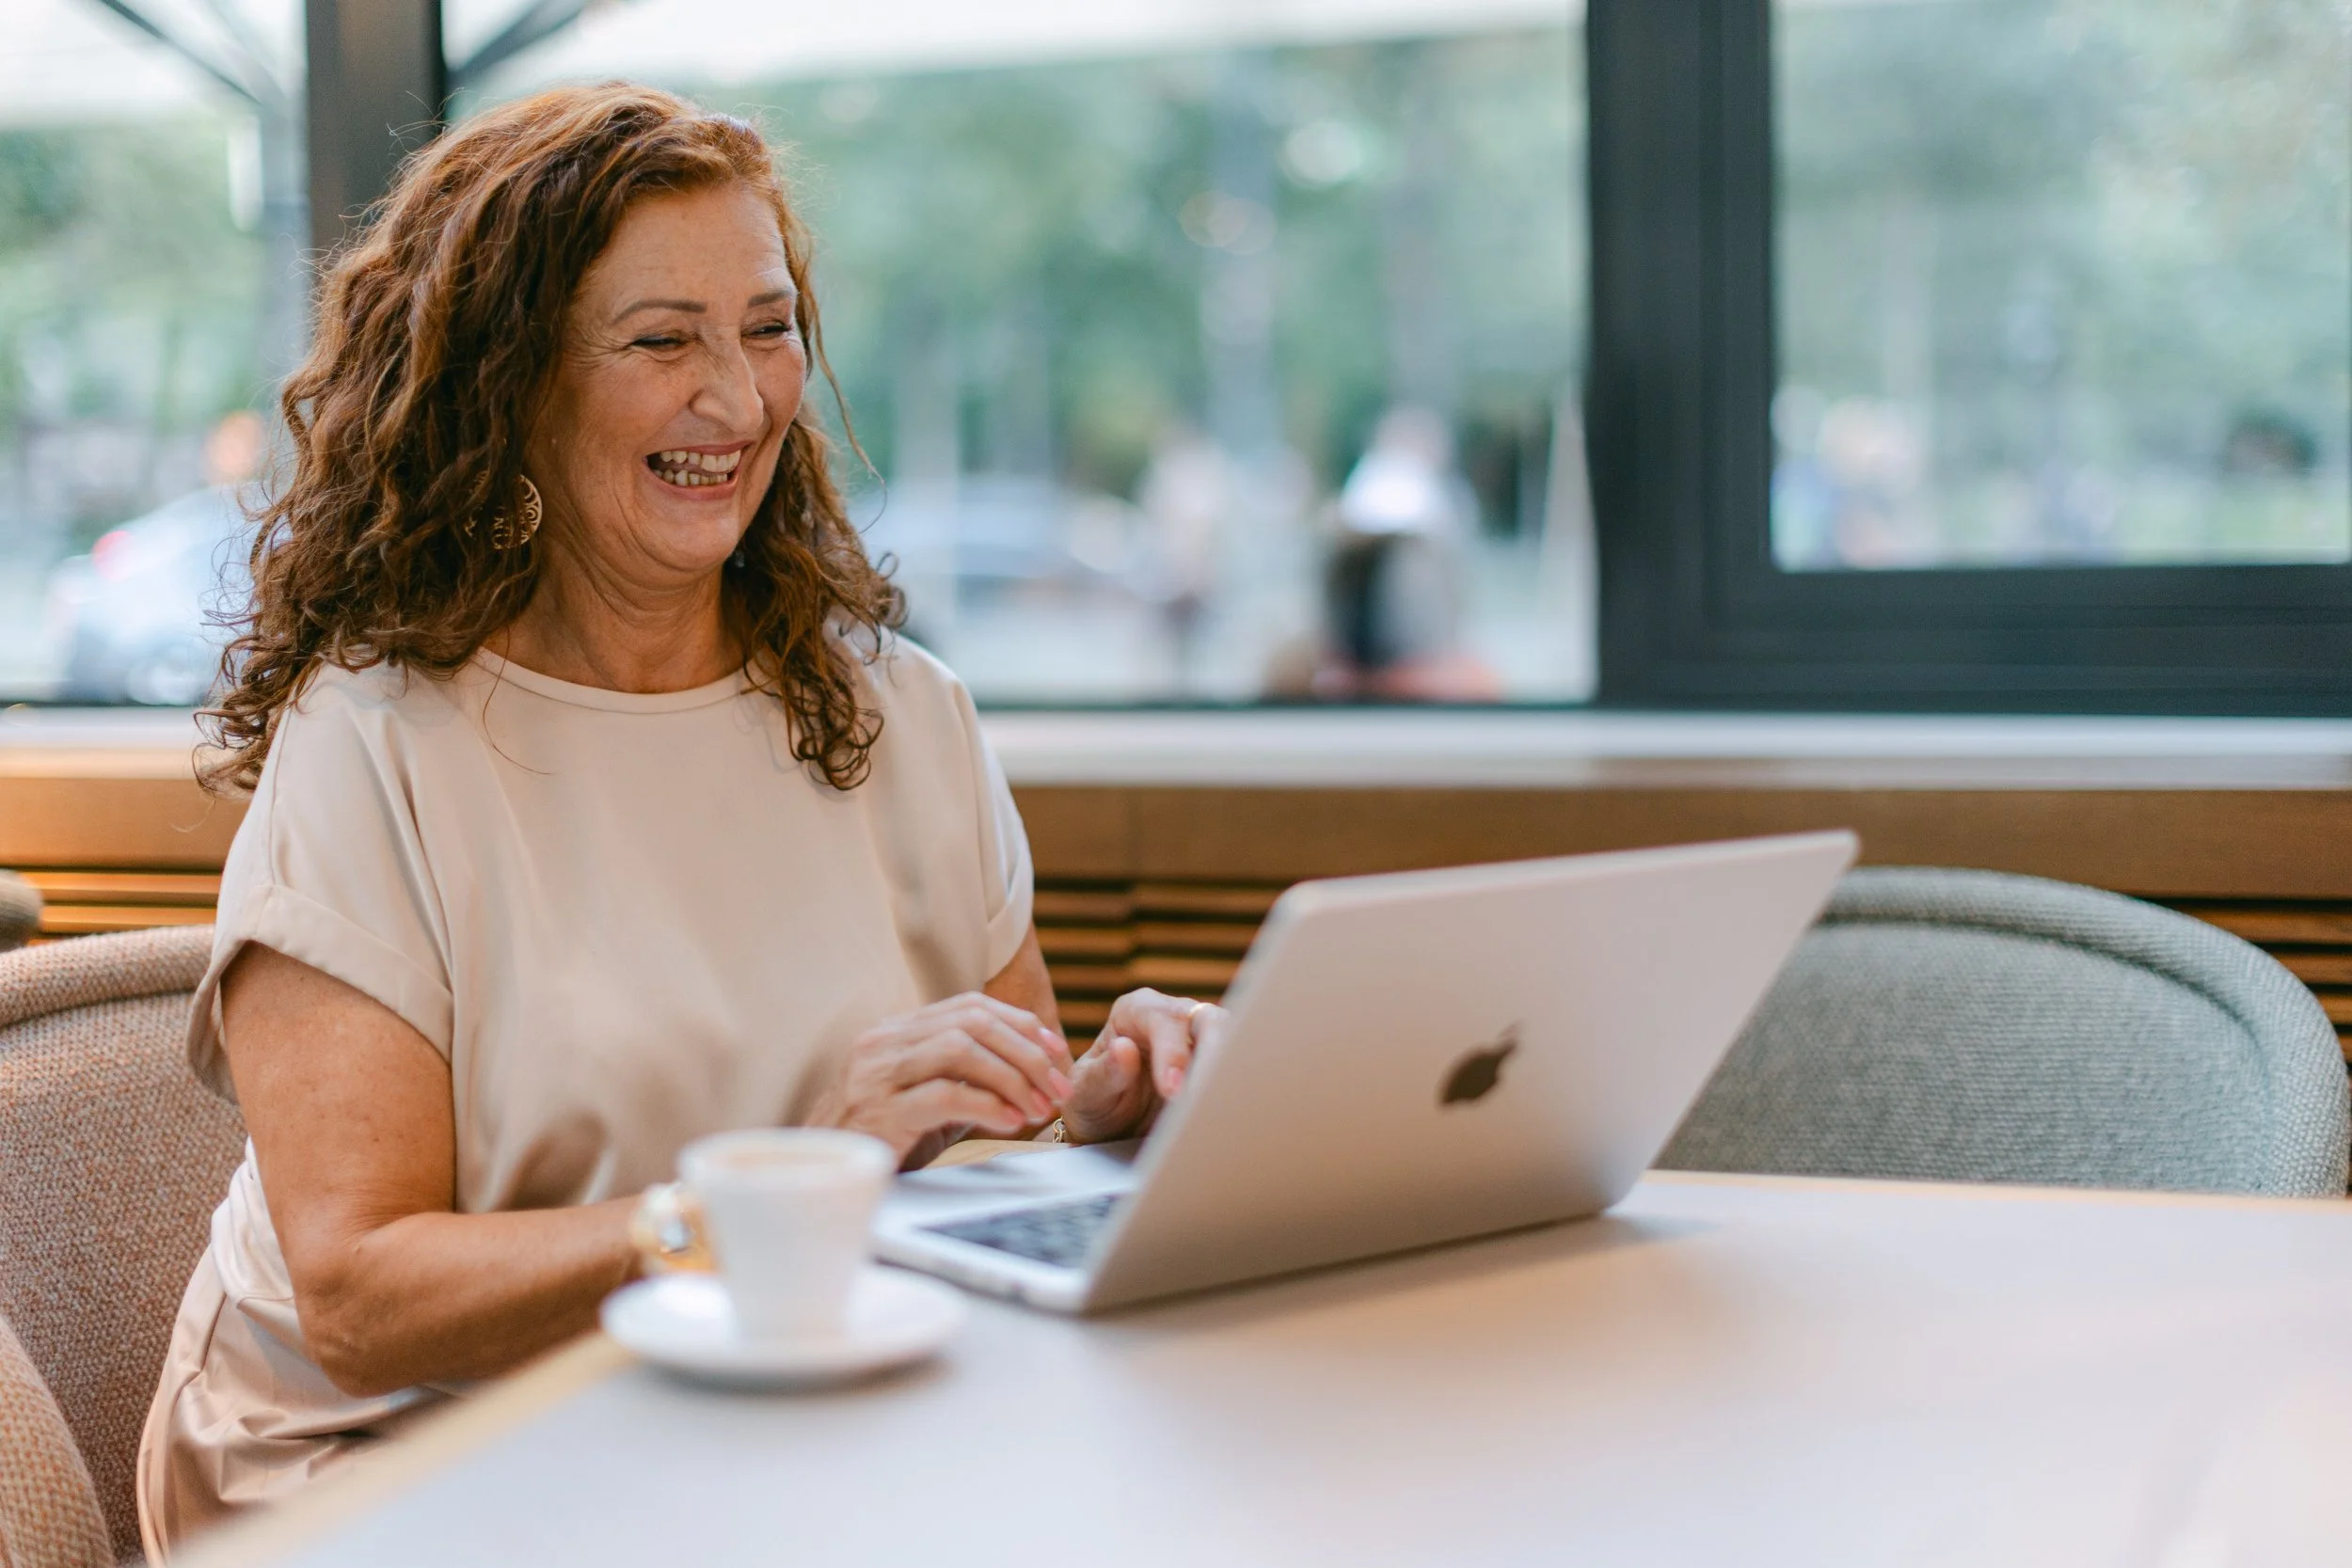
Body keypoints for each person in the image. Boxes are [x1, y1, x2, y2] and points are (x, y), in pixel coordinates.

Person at [137, 84, 1217, 1559]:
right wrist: (780, 1193)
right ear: (510, 383)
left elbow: (982, 1139)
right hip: (394, 1462)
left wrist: (1093, 1118)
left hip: (758, 1418)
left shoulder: (903, 716)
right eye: (661, 341)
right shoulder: (375, 741)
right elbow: (364, 1296)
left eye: (767, 327)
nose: (739, 397)